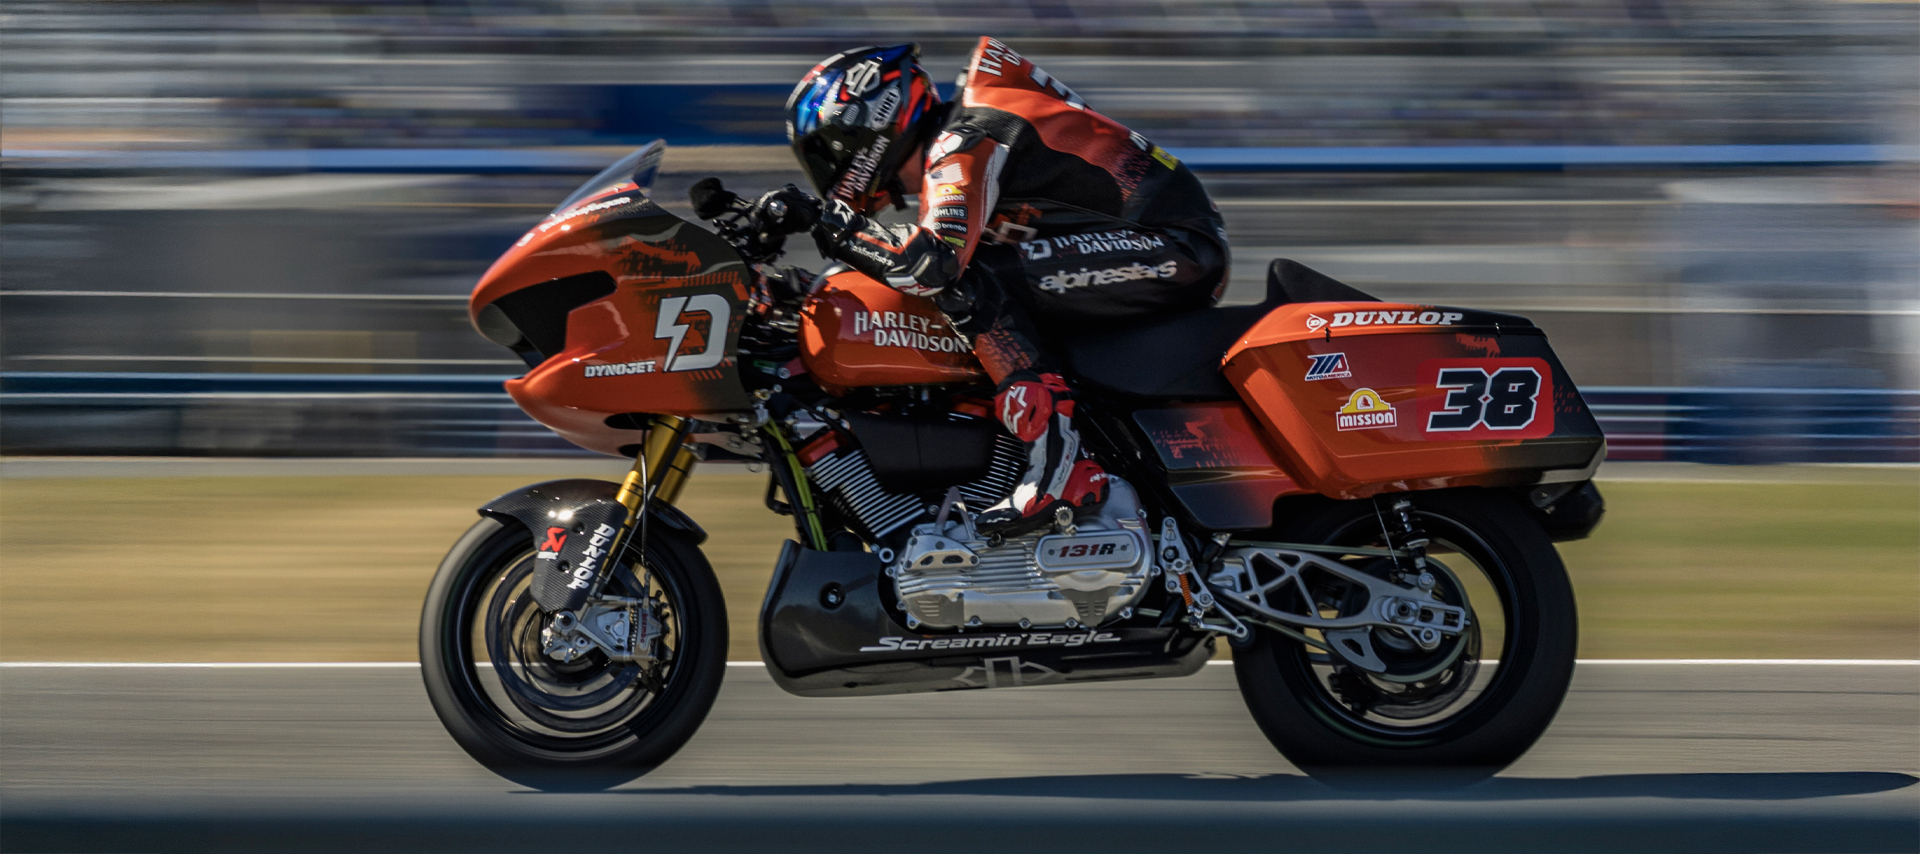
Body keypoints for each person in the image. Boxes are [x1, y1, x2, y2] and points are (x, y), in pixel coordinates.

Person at [779, 39, 1230, 535]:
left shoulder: (964, 138)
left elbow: (931, 263)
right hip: (1157, 243)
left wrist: (840, 231)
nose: (827, 174)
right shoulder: (960, 138)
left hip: (1174, 245)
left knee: (972, 275)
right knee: (974, 278)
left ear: (862, 127)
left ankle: (1060, 470)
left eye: (824, 154)